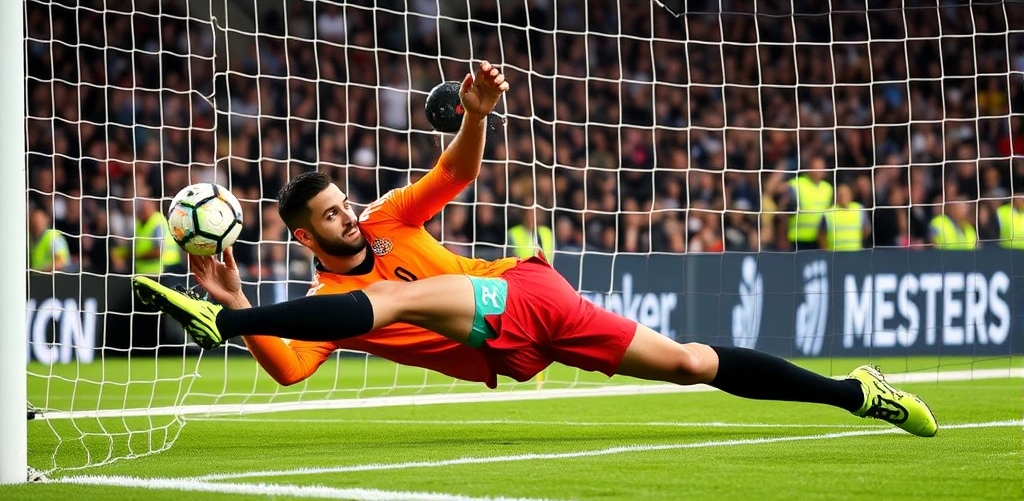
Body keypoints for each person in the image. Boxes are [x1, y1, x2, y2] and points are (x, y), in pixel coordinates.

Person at [132, 61, 937, 438]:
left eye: (347, 205)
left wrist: (476, 114)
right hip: (512, 350)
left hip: (521, 295)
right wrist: (244, 301)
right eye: (335, 217)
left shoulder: (387, 221)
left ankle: (215, 327)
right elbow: (294, 366)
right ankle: (854, 392)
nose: (351, 219)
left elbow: (453, 170)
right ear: (304, 238)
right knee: (692, 364)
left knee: (399, 300)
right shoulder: (321, 303)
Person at [781, 156, 833, 251]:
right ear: (809, 168)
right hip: (798, 238)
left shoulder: (828, 188)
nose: (818, 170)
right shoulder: (796, 184)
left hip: (819, 239)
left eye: (821, 167)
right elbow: (783, 209)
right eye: (816, 167)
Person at [818, 184, 869, 251]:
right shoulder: (828, 213)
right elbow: (821, 235)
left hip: (856, 253)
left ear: (851, 195)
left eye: (846, 194)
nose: (843, 197)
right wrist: (826, 252)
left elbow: (866, 230)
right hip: (835, 255)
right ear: (836, 196)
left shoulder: (859, 209)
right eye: (841, 194)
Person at [28, 207, 71, 272]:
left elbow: (60, 262)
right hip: (40, 279)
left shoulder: (53, 237)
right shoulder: (31, 239)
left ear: (46, 219)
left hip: (55, 279)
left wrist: (38, 271)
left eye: (39, 219)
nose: (35, 223)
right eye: (33, 219)